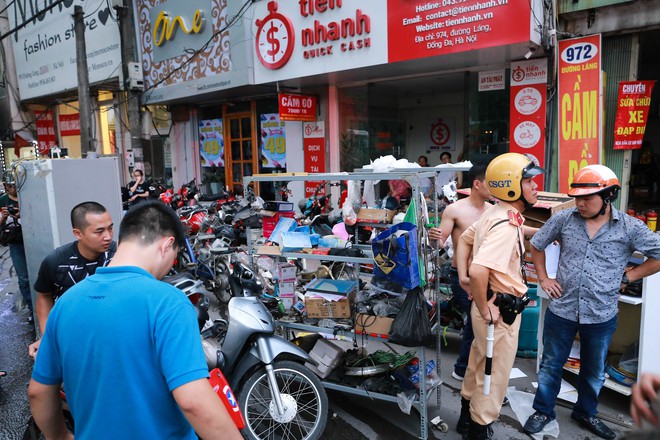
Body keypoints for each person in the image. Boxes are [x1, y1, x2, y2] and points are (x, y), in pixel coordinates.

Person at [28, 201, 242, 440]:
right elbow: (194, 401)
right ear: (167, 244)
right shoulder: (168, 302)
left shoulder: (66, 303)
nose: (170, 265)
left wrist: (59, 436)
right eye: (174, 256)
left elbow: (38, 391)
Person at [524, 164, 660, 440]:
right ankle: (543, 410)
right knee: (551, 364)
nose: (580, 203)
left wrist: (630, 275)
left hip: (601, 313)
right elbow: (537, 245)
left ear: (608, 197)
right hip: (562, 308)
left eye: (587, 198)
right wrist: (543, 279)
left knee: (593, 371)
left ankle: (586, 412)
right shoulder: (564, 220)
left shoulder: (630, 227)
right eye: (577, 198)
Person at [455, 153, 544, 439]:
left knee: (477, 363)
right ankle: (479, 428)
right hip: (498, 312)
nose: (535, 187)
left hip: (488, 306)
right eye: (528, 181)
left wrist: (461, 276)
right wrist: (484, 307)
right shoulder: (505, 225)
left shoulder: (496, 214)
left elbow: (466, 240)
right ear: (511, 186)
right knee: (494, 376)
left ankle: (465, 419)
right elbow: (480, 270)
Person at [28, 201, 116, 359]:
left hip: (112, 337)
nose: (108, 236)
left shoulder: (120, 254)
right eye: (99, 231)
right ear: (78, 233)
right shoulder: (55, 261)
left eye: (110, 228)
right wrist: (47, 338)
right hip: (71, 340)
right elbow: (44, 296)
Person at [428, 164, 491, 383]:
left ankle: (466, 367)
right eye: (491, 182)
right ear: (477, 184)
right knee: (477, 321)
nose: (496, 187)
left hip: (488, 276)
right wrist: (432, 236)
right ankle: (465, 369)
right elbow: (439, 242)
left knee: (481, 323)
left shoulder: (493, 210)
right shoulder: (455, 210)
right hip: (462, 276)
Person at [0, 173, 33, 321]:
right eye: (9, 185)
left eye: (14, 185)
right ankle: (33, 309)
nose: (12, 188)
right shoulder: (2, 200)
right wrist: (4, 217)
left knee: (40, 274)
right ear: (6, 186)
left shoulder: (28, 195)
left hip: (34, 238)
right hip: (15, 240)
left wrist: (22, 215)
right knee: (24, 278)